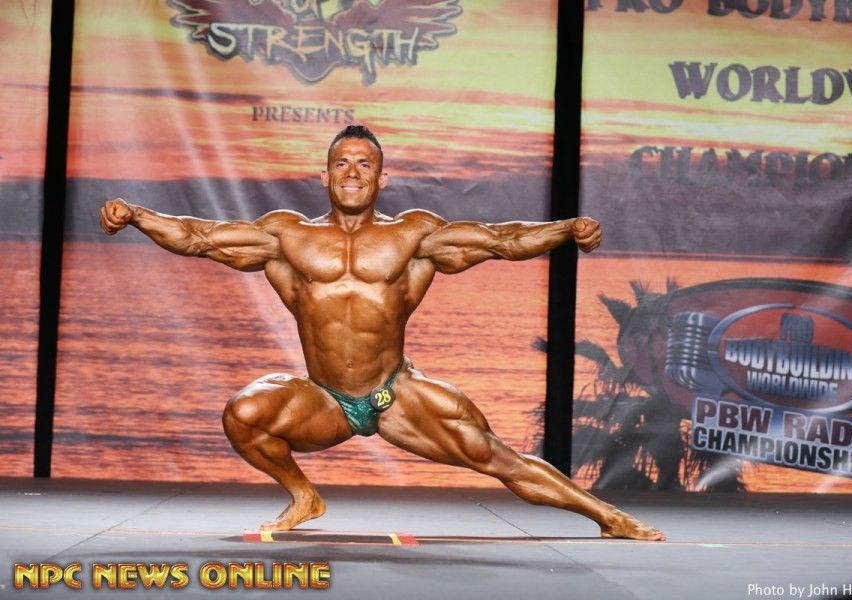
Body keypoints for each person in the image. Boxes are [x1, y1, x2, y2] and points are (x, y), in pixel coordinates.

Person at [99, 125, 665, 541]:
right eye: (341, 163)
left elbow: (499, 239)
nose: (352, 171)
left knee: (496, 457)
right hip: (324, 399)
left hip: (395, 394)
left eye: (364, 163)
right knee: (243, 414)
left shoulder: (412, 237)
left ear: (382, 176)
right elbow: (199, 236)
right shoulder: (287, 237)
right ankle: (304, 495)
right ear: (324, 175)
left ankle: (608, 517)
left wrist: (566, 229)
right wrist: (137, 215)